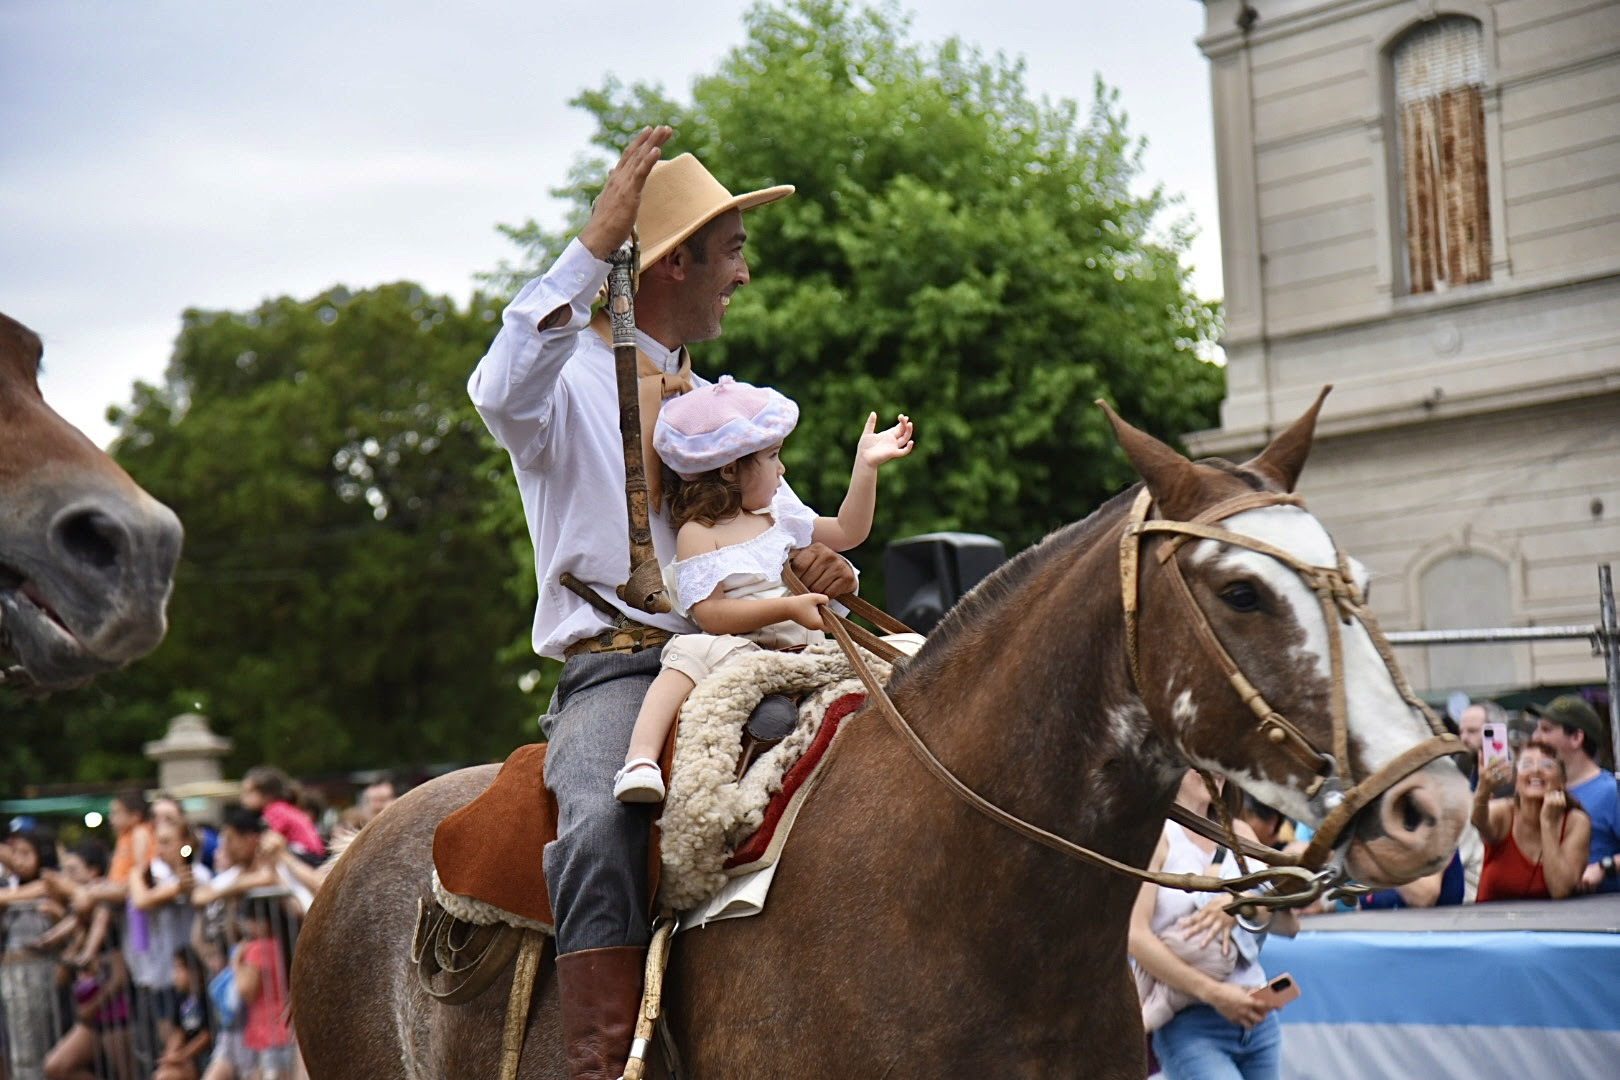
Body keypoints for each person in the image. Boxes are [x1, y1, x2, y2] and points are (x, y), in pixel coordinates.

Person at [468, 125, 850, 1078]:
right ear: (674, 263)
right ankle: (603, 1065)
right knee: (602, 818)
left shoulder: (718, 402)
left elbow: (793, 534)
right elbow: (495, 388)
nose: (745, 275)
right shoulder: (558, 392)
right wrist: (595, 245)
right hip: (620, 671)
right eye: (733, 251)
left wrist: (816, 571)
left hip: (755, 647)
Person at [613, 378, 912, 800]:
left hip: (798, 643)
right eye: (772, 457)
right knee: (684, 659)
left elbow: (848, 530)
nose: (782, 469)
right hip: (737, 646)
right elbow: (710, 614)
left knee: (907, 651)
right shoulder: (700, 533)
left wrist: (865, 467)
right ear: (730, 468)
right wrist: (787, 609)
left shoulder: (779, 513)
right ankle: (640, 760)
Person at [1128, 770, 1299, 1080]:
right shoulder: (1156, 837)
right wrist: (1215, 994)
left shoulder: (1241, 833)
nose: (1216, 769)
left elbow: (1289, 926)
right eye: (1202, 761)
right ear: (1174, 764)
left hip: (1258, 1021)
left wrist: (1241, 904)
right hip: (1190, 1023)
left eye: (1221, 762)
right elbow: (1135, 937)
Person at [1474, 738, 1591, 901]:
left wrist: (1548, 823)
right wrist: (1483, 790)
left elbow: (1560, 889)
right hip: (1492, 923)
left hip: (1552, 924)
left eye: (1547, 765)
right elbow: (1478, 821)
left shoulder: (1576, 823)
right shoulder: (1504, 812)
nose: (1536, 770)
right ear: (1516, 781)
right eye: (1526, 765)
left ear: (1562, 781)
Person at [1528, 695, 1619, 894]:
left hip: (1596, 914)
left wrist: (1605, 866)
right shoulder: (1536, 789)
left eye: (1546, 730)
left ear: (1576, 738)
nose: (1535, 738)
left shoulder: (1610, 791)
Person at [238, 767, 324, 866]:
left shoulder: (274, 810)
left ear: (266, 794)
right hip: (311, 857)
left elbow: (269, 843)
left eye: (248, 792)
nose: (243, 798)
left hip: (307, 857)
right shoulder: (283, 807)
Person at [153, 945, 213, 1080]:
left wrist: (181, 1056)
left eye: (179, 969)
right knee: (162, 1074)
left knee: (167, 1077)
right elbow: (178, 1032)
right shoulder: (182, 998)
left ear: (195, 971)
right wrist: (169, 1057)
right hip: (188, 1057)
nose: (175, 975)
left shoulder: (206, 996)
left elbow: (206, 1036)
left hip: (205, 1055)